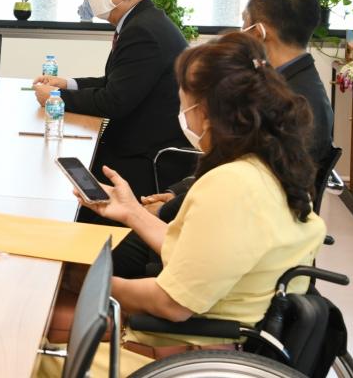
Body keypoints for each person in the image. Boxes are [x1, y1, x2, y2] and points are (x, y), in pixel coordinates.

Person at [38, 32, 327, 377]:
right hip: (214, 347)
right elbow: (197, 255)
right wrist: (131, 211)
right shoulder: (270, 170)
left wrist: (80, 281)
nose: (182, 117)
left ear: (207, 113)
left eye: (183, 105)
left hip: (183, 360)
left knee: (27, 353)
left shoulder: (232, 185)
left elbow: (171, 303)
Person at [113, 0, 335, 279]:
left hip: (235, 241)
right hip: (220, 216)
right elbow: (235, 159)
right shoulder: (285, 85)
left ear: (259, 32)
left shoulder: (296, 104)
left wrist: (168, 209)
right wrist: (176, 194)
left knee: (101, 255)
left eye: (244, 23)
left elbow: (247, 187)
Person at [33, 0, 189, 206]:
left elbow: (114, 101)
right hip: (138, 142)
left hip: (145, 157)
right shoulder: (142, 21)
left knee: (63, 181)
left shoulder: (143, 31)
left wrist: (57, 97)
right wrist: (68, 84)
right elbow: (115, 82)